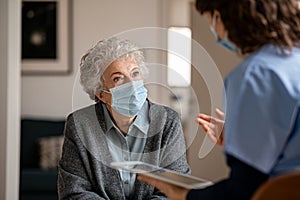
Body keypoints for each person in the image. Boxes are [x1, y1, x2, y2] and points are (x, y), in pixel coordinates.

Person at [138, 0, 300, 199]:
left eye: (210, 21)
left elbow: (243, 190)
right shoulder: (293, 63)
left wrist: (184, 195)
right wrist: (240, 134)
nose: (215, 32)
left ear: (221, 17)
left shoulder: (256, 74)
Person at [57, 37, 190, 199]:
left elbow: (175, 189)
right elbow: (73, 192)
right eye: (118, 78)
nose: (132, 84)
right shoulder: (79, 124)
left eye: (135, 73)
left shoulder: (167, 121)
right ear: (100, 94)